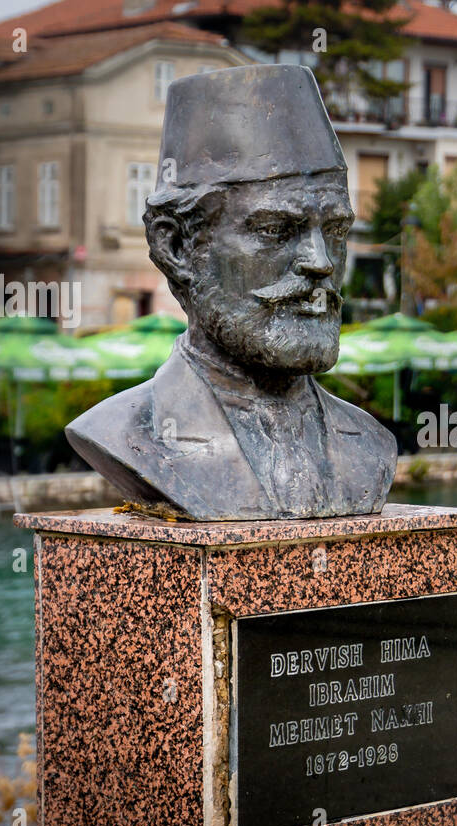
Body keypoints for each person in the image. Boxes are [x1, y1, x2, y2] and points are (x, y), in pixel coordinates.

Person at [67, 66, 396, 520]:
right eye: (276, 230)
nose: (320, 261)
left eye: (336, 230)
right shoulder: (127, 433)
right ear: (177, 247)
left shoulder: (372, 445)